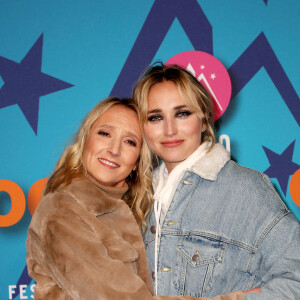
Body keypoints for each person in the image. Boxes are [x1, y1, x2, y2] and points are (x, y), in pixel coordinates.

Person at [26, 97, 244, 300]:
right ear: (85, 141)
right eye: (105, 133)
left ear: (138, 160)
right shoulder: (62, 210)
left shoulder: (137, 212)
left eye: (130, 142)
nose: (114, 150)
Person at [133, 63, 300, 299]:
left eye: (182, 113)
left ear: (203, 120)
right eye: (156, 117)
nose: (169, 130)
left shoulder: (246, 189)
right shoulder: (138, 198)